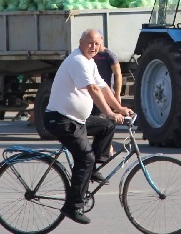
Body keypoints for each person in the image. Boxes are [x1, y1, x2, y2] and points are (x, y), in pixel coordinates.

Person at [44, 29, 133, 225]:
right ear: (81, 42)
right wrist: (110, 113)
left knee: (106, 126)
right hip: (60, 119)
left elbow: (103, 88)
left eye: (97, 43)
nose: (93, 47)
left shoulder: (90, 62)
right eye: (89, 43)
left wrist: (120, 108)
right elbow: (92, 90)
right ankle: (73, 206)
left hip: (76, 119)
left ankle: (92, 168)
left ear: (101, 45)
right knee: (85, 157)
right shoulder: (78, 61)